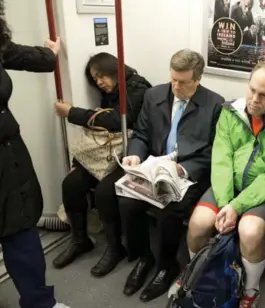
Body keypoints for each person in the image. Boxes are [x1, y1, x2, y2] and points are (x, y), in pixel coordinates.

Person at [186, 62, 265, 308]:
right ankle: (197, 273)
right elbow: (222, 158)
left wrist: (237, 207)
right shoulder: (230, 112)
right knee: (198, 224)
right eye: (252, 90)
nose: (255, 100)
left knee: (250, 231)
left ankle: (251, 289)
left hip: (262, 193)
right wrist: (226, 204)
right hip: (229, 186)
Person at [118, 49, 224, 302]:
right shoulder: (154, 94)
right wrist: (135, 155)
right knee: (127, 201)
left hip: (189, 173)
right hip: (153, 166)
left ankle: (167, 266)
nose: (175, 86)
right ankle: (144, 257)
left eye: (183, 82)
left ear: (197, 79)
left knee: (171, 209)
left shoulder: (215, 104)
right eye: (173, 79)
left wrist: (183, 169)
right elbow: (142, 134)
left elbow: (215, 150)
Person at [52, 52, 151, 277]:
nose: (99, 82)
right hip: (108, 153)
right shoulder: (111, 93)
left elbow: (117, 121)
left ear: (114, 70)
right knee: (72, 183)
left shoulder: (137, 88)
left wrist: (72, 113)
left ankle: (115, 248)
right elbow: (100, 132)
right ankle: (80, 239)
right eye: (95, 79)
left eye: (102, 76)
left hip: (133, 152)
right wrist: (79, 163)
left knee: (105, 192)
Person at [0, 2, 70, 307]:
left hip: (6, 153)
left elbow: (13, 52)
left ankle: (39, 302)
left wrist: (50, 54)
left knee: (21, 226)